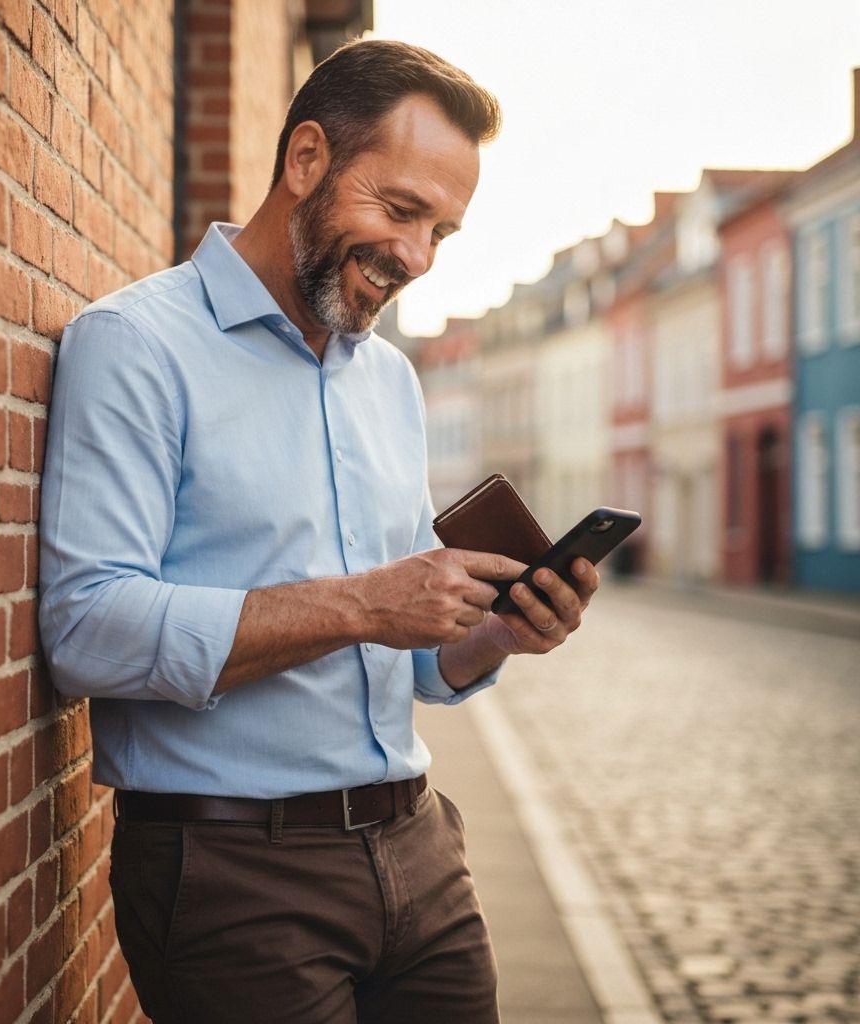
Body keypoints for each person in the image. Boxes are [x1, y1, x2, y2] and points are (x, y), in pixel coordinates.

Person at [39, 37, 600, 1024]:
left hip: (422, 853)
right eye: (398, 210)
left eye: (443, 232)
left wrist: (504, 626)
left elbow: (415, 663)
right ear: (305, 161)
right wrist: (359, 603)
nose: (417, 257)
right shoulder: (133, 347)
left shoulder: (390, 379)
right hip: (233, 879)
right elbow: (87, 629)